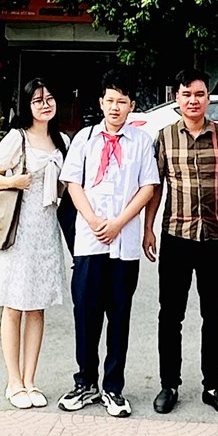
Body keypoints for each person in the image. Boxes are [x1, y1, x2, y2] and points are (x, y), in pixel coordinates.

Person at [57, 72, 159, 417]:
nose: (115, 107)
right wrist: (92, 220)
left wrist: (118, 223)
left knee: (118, 315)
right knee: (85, 313)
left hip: (124, 243)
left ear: (132, 106)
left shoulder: (141, 141)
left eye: (122, 102)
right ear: (101, 103)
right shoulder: (85, 138)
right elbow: (73, 182)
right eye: (110, 100)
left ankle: (113, 387)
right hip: (90, 242)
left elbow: (148, 187)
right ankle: (85, 382)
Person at [142, 68, 218, 417]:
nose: (193, 100)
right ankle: (169, 384)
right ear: (177, 98)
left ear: (207, 98)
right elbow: (155, 186)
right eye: (186, 94)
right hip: (176, 237)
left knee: (215, 316)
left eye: (199, 94)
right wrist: (148, 228)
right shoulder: (165, 137)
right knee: (170, 315)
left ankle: (213, 386)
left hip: (214, 237)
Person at [0, 78, 69, 409]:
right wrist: (14, 181)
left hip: (46, 233)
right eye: (37, 100)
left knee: (37, 306)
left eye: (49, 99)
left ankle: (31, 380)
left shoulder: (62, 141)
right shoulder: (17, 138)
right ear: (27, 106)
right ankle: (14, 381)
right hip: (19, 232)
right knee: (13, 305)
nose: (45, 105)